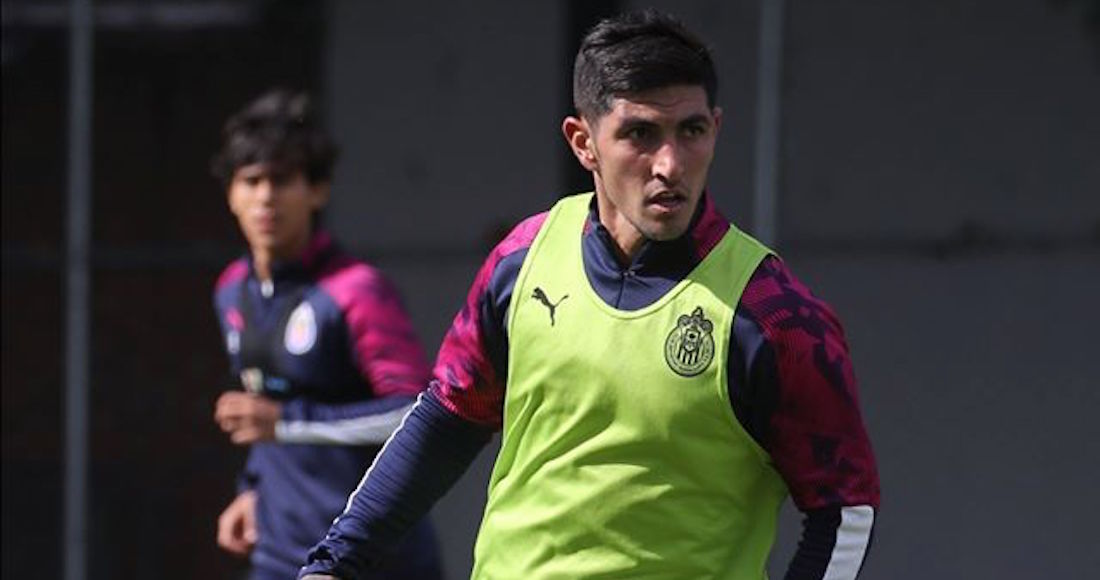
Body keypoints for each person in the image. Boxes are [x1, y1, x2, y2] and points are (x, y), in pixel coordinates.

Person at [301, 10, 880, 580]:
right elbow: (449, 419)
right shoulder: (522, 260)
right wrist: (334, 564)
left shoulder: (775, 316)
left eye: (691, 131)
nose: (670, 164)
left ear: (716, 128)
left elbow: (844, 511)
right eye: (640, 134)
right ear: (583, 142)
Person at [209, 89, 443, 580]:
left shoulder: (356, 290)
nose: (266, 197)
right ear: (231, 194)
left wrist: (286, 424)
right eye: (251, 181)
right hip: (279, 556)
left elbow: (413, 413)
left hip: (374, 559)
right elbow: (267, 401)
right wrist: (251, 489)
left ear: (317, 190)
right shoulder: (231, 290)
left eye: (282, 180)